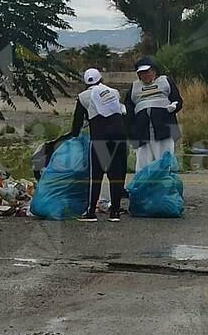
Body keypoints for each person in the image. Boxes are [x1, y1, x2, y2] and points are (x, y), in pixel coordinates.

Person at [67, 68, 128, 222]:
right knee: (117, 175)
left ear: (85, 83)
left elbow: (77, 123)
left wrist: (73, 136)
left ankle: (90, 212)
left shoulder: (83, 97)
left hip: (100, 139)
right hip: (120, 137)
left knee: (96, 175)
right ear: (101, 79)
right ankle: (115, 212)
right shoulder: (114, 92)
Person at [125, 56, 184, 172]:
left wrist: (174, 107)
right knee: (143, 166)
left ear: (154, 70)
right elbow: (129, 111)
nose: (145, 75)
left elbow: (178, 100)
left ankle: (165, 187)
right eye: (142, 73)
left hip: (164, 130)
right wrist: (130, 132)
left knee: (165, 163)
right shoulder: (134, 87)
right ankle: (144, 188)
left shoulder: (165, 81)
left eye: (147, 72)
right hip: (143, 133)